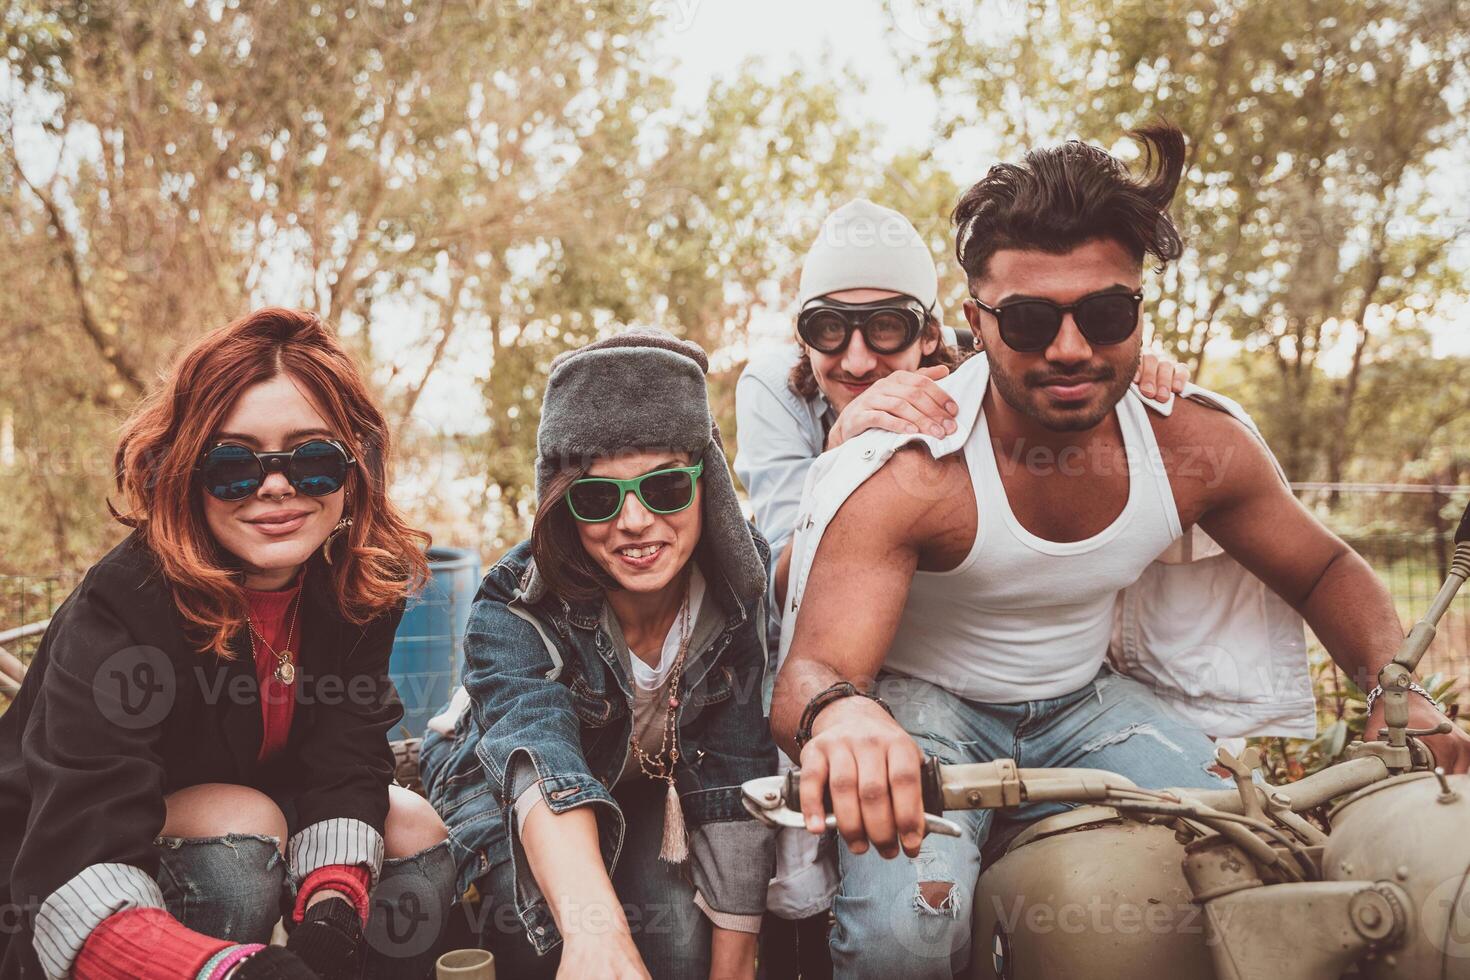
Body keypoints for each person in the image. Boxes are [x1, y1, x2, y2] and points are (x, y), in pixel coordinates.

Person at [768, 127, 1470, 978]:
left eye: (1104, 313)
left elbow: (1322, 568)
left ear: (1140, 306)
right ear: (973, 322)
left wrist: (1400, 691)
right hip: (929, 706)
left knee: (1258, 848)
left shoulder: (1195, 447)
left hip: (1089, 702)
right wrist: (844, 716)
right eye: (1028, 320)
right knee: (902, 936)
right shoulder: (914, 472)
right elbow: (812, 670)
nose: (1070, 348)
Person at [0, 308, 456, 980]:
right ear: (186, 473)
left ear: (356, 469)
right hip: (56, 875)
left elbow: (345, 759)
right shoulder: (122, 607)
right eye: (235, 465)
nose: (277, 486)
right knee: (242, 829)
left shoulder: (354, 584)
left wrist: (333, 900)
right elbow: (75, 854)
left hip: (251, 820)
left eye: (314, 459)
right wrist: (231, 970)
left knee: (412, 826)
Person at [418, 329, 777, 980]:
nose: (635, 521)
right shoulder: (511, 606)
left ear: (708, 483)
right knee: (539, 930)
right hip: (503, 783)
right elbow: (538, 763)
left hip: (641, 787)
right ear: (564, 508)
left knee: (676, 940)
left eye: (665, 487)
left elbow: (734, 781)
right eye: (598, 497)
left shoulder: (741, 591)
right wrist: (595, 934)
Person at [734, 198, 1190, 610]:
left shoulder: (989, 368)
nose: (857, 361)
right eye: (828, 329)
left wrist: (1122, 375)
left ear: (930, 335)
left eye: (887, 327)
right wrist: (835, 464)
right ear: (802, 336)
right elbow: (777, 594)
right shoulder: (773, 387)